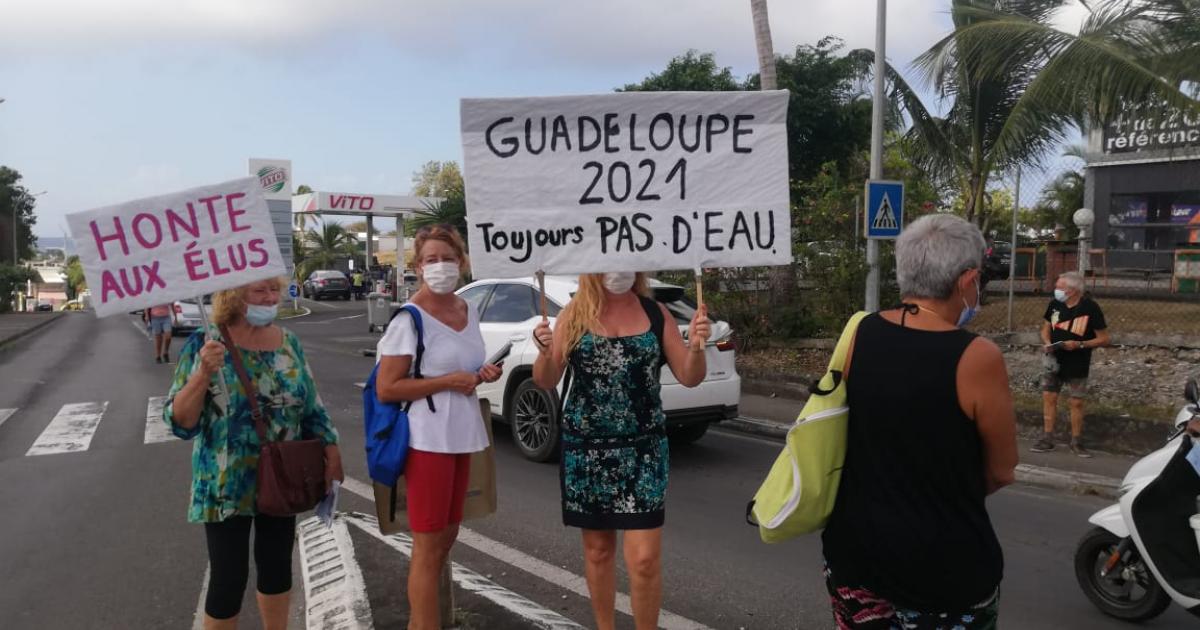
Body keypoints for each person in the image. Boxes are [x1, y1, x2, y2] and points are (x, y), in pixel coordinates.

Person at [821, 214, 1018, 628]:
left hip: (854, 555)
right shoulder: (977, 357)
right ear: (967, 281)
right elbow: (1001, 470)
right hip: (944, 567)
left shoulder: (860, 332)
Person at [531, 272, 711, 630]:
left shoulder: (656, 313)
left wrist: (696, 346)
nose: (617, 267)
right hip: (587, 450)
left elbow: (690, 377)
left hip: (643, 450)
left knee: (644, 559)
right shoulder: (573, 314)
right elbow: (547, 379)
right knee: (598, 552)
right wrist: (544, 351)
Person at [162, 277, 343, 630]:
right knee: (228, 579)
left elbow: (312, 405)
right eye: (260, 291)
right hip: (225, 480)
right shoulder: (206, 342)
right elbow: (180, 421)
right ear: (235, 296)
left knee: (276, 568)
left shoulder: (288, 341)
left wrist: (331, 449)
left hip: (282, 474)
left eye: (274, 290)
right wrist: (202, 374)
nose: (270, 298)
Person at [373, 225, 502, 630]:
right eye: (431, 260)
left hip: (463, 435)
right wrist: (448, 382)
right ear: (417, 266)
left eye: (448, 258)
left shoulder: (468, 310)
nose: (441, 266)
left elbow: (462, 368)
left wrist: (481, 373)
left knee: (446, 540)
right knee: (428, 549)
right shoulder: (408, 319)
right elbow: (387, 388)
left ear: (462, 263)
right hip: (427, 439)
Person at [1031, 270, 1110, 458]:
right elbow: (1045, 329)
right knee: (1049, 396)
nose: (1056, 290)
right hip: (1054, 360)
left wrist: (1080, 344)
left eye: (1059, 287)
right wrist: (1047, 343)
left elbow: (1105, 339)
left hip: (1078, 361)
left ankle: (1076, 441)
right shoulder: (1054, 305)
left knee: (1076, 402)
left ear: (1073, 290)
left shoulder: (1090, 308)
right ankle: (1047, 438)